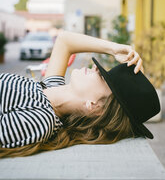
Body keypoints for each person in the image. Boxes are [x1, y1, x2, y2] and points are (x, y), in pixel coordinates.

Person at [0, 31, 160, 158]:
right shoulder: (51, 88)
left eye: (102, 77)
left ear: (94, 106)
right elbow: (64, 40)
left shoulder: (42, 119)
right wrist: (113, 48)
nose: (96, 68)